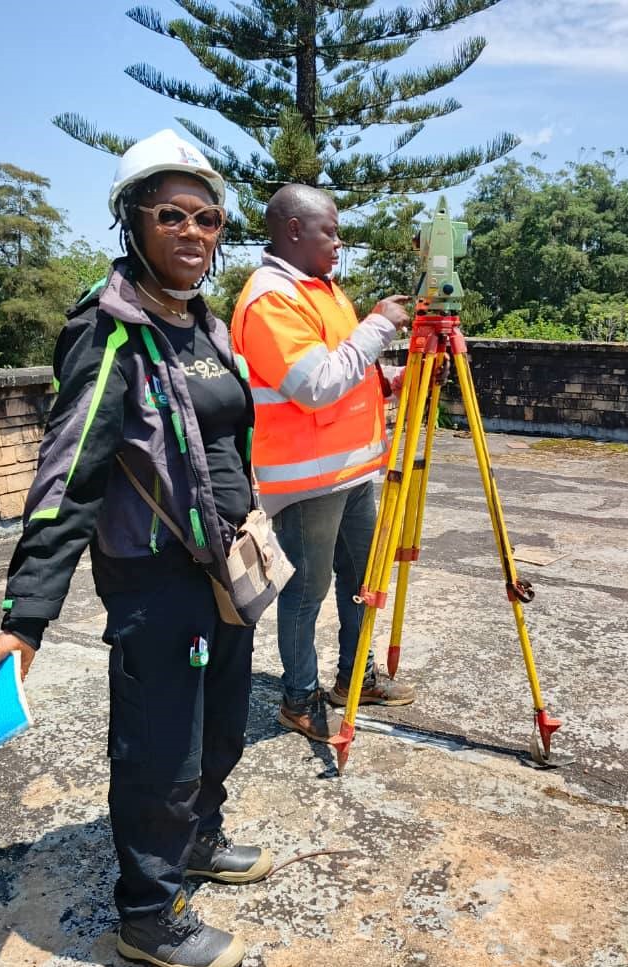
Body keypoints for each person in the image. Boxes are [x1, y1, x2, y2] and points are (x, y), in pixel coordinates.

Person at [0, 130, 266, 967]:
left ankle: (200, 838)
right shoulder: (110, 332)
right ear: (130, 222)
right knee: (158, 747)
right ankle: (148, 912)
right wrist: (24, 616)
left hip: (224, 569)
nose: (192, 232)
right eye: (170, 213)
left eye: (207, 217)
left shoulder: (202, 323)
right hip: (155, 580)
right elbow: (67, 477)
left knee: (219, 729)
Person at [231, 184, 416, 744]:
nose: (339, 242)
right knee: (305, 593)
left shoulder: (324, 291)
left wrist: (386, 378)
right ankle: (298, 698)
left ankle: (353, 678)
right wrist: (380, 326)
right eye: (328, 231)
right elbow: (313, 386)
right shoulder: (271, 299)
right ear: (292, 230)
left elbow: (344, 369)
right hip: (307, 481)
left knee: (361, 580)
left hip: (353, 472)